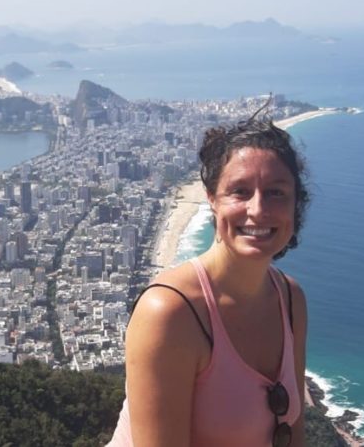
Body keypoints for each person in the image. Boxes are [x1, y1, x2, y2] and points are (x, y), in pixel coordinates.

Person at [108, 113, 310, 447]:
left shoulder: (291, 300)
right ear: (211, 200)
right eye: (240, 192)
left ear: (295, 204)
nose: (258, 210)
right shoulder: (169, 313)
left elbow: (294, 433)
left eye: (276, 193)